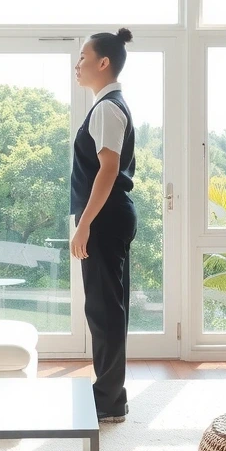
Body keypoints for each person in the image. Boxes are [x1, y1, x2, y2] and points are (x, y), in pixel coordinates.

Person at [70, 28, 136, 422]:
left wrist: (84, 226)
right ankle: (111, 395)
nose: (77, 65)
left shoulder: (108, 107)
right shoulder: (106, 105)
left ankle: (109, 400)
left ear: (103, 62)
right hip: (108, 217)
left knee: (104, 308)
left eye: (83, 57)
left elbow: (108, 170)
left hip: (105, 218)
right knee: (107, 306)